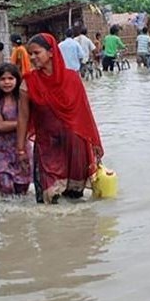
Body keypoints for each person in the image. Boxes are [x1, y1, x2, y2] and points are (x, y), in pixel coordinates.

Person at [16, 33, 103, 204]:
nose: (32, 58)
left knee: (75, 201)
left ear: (51, 53)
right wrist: (20, 150)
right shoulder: (28, 83)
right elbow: (23, 118)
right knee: (48, 200)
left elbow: (84, 114)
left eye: (36, 53)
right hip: (46, 146)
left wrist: (94, 143)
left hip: (74, 145)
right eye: (30, 54)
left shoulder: (72, 79)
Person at [0, 63, 32, 197]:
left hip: (23, 150)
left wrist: (22, 124)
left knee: (22, 191)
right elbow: (0, 125)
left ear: (17, 80)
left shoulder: (23, 97)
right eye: (2, 79)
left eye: (10, 79)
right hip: (2, 151)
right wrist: (23, 123)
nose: (6, 82)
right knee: (4, 188)